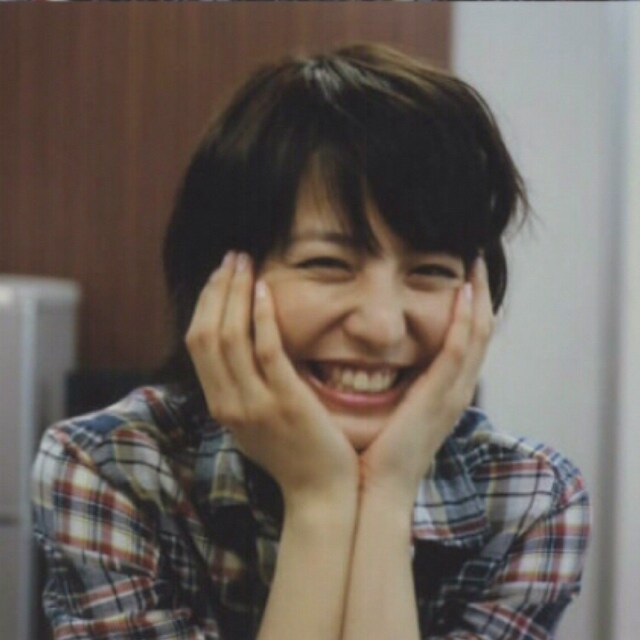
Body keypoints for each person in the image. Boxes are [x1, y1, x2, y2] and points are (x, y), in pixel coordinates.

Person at [32, 43, 591, 640]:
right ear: (219, 282)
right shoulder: (110, 470)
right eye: (327, 264)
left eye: (430, 270)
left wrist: (387, 495)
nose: (382, 326)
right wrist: (320, 499)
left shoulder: (532, 500)